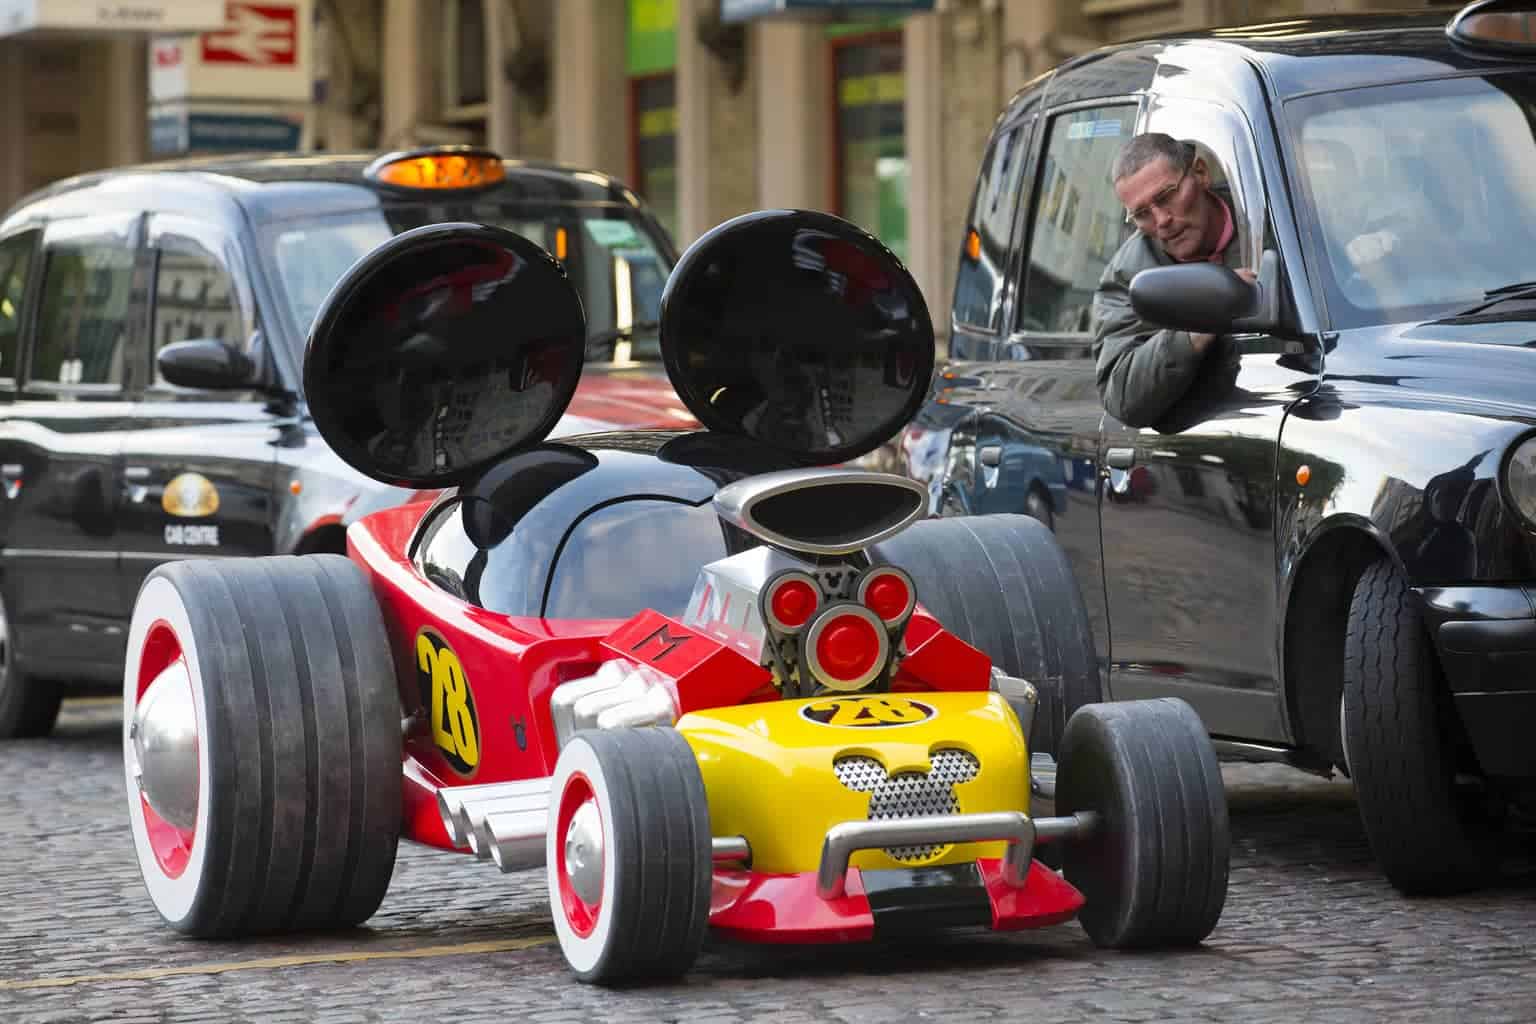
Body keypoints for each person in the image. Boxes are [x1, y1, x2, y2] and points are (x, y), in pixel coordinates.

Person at [1092, 133, 1257, 428]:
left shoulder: (1267, 225)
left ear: (1200, 174)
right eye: (1142, 214)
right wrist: (1196, 328)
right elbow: (1122, 395)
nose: (1162, 220)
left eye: (1166, 196)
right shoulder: (1127, 276)